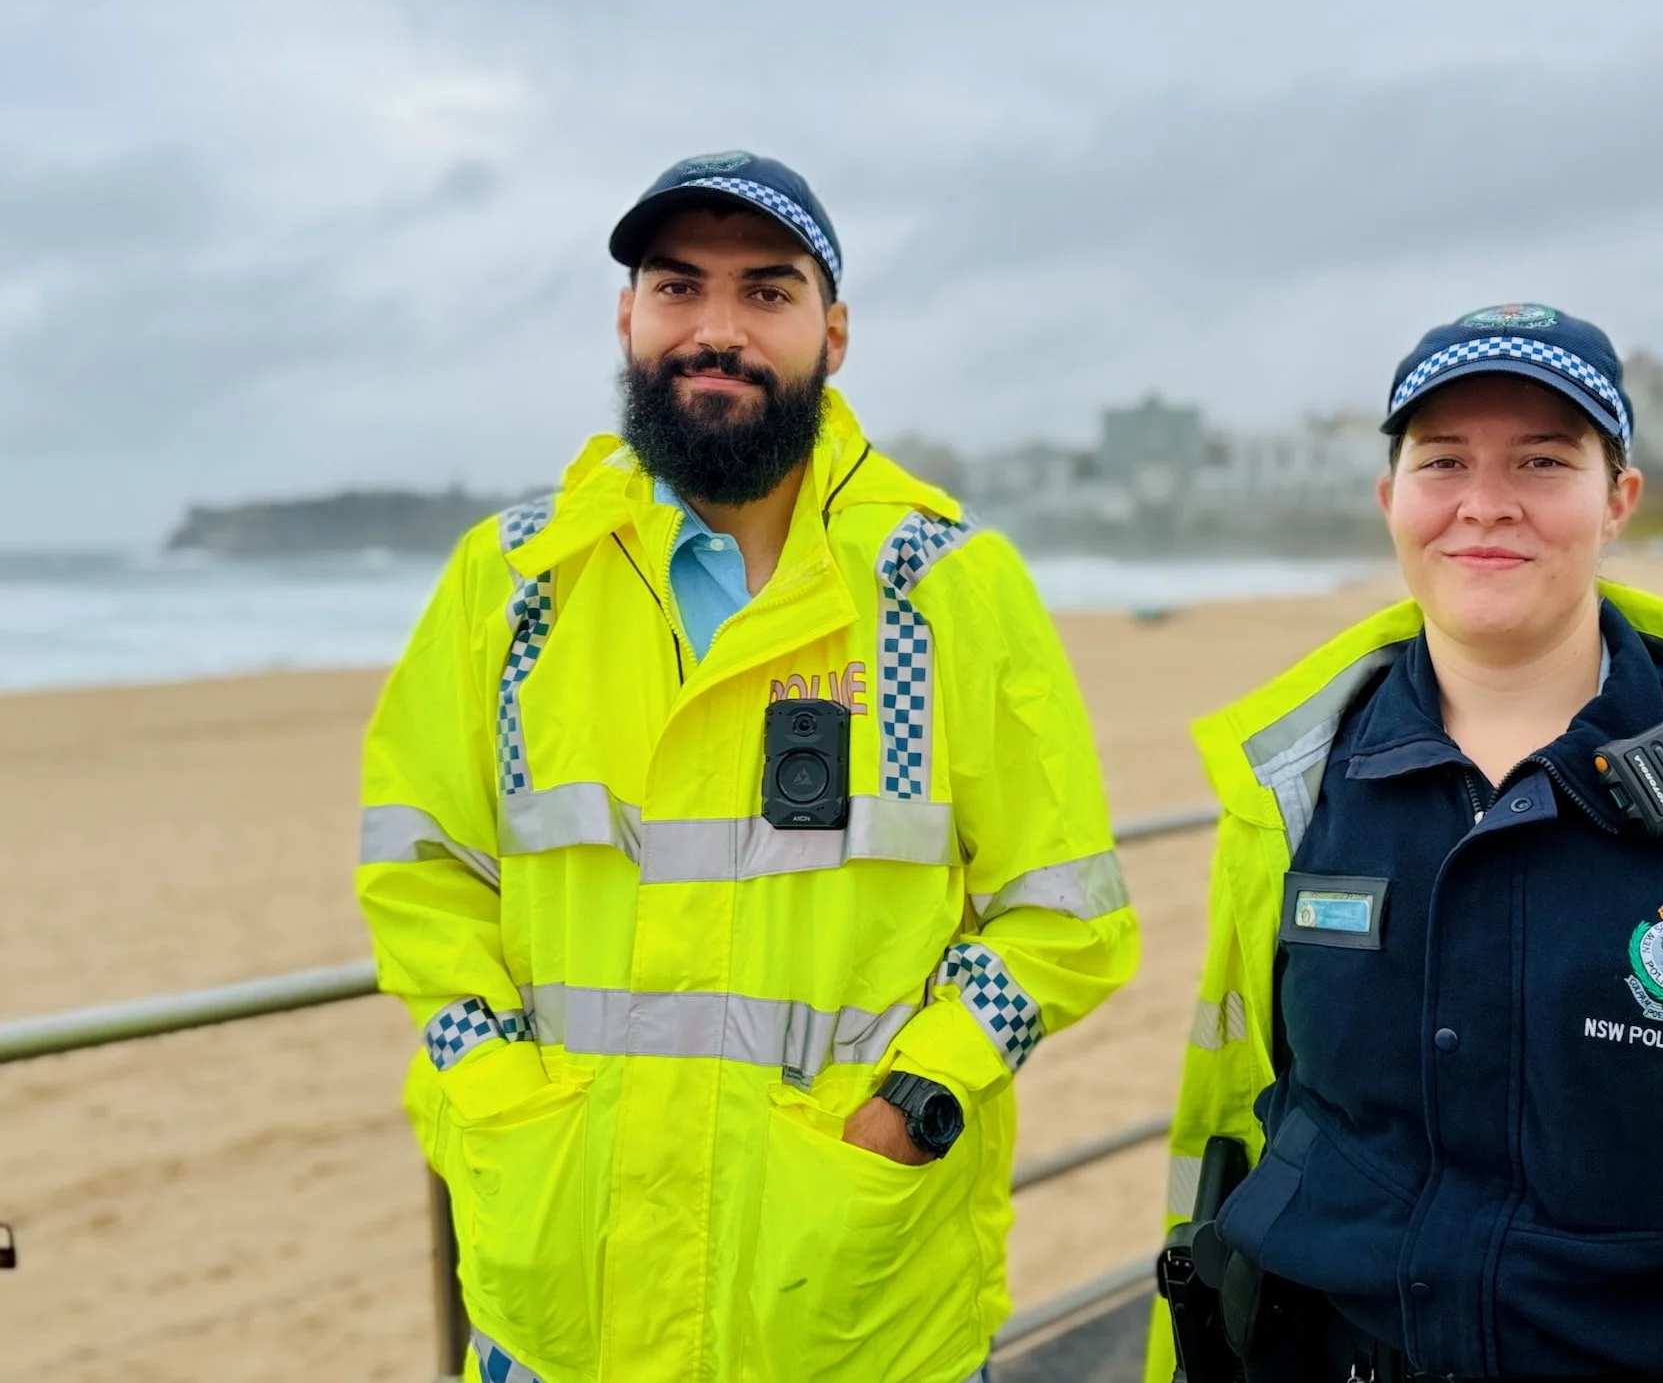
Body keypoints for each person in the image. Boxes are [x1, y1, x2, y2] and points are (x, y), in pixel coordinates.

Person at [356, 151, 1139, 1383]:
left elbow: (1066, 913)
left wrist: (914, 1110)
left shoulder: (941, 587)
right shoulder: (510, 583)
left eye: (765, 293)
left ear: (832, 332)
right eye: (679, 288)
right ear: (628, 317)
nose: (715, 330)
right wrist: (486, 1076)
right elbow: (418, 871)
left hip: (847, 1302)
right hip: (558, 1284)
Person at [1148, 305, 1663, 1382]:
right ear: (1389, 500)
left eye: (1543, 461)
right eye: (1442, 460)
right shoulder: (1294, 788)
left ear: (1616, 501)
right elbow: (1245, 1105)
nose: (1483, 504)